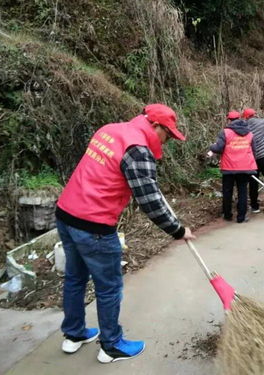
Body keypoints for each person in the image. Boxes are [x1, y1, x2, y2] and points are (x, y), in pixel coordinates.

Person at [55, 103, 195, 363]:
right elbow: (150, 201)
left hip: (66, 214)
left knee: (75, 279)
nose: (168, 141)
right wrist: (177, 230)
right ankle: (111, 345)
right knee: (109, 288)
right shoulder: (138, 150)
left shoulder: (110, 130)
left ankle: (73, 335)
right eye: (168, 134)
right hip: (94, 226)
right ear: (156, 126)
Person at [208, 111, 257, 223]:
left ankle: (227, 215)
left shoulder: (225, 132)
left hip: (229, 167)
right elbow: (253, 151)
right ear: (239, 118)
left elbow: (218, 148)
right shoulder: (249, 133)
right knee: (243, 192)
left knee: (227, 191)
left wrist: (211, 146)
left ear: (228, 119)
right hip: (245, 167)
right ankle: (241, 217)